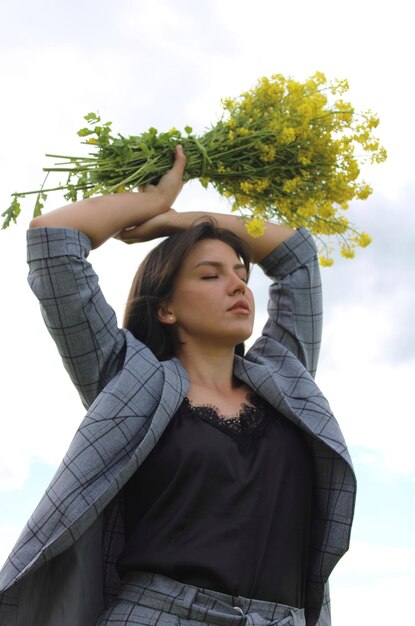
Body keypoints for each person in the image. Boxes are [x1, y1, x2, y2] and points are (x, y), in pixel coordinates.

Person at [0, 146, 356, 626]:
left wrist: (190, 220)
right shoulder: (130, 380)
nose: (237, 286)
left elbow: (297, 256)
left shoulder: (283, 379)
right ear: (166, 308)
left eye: (241, 274)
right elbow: (54, 238)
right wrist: (155, 205)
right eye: (210, 275)